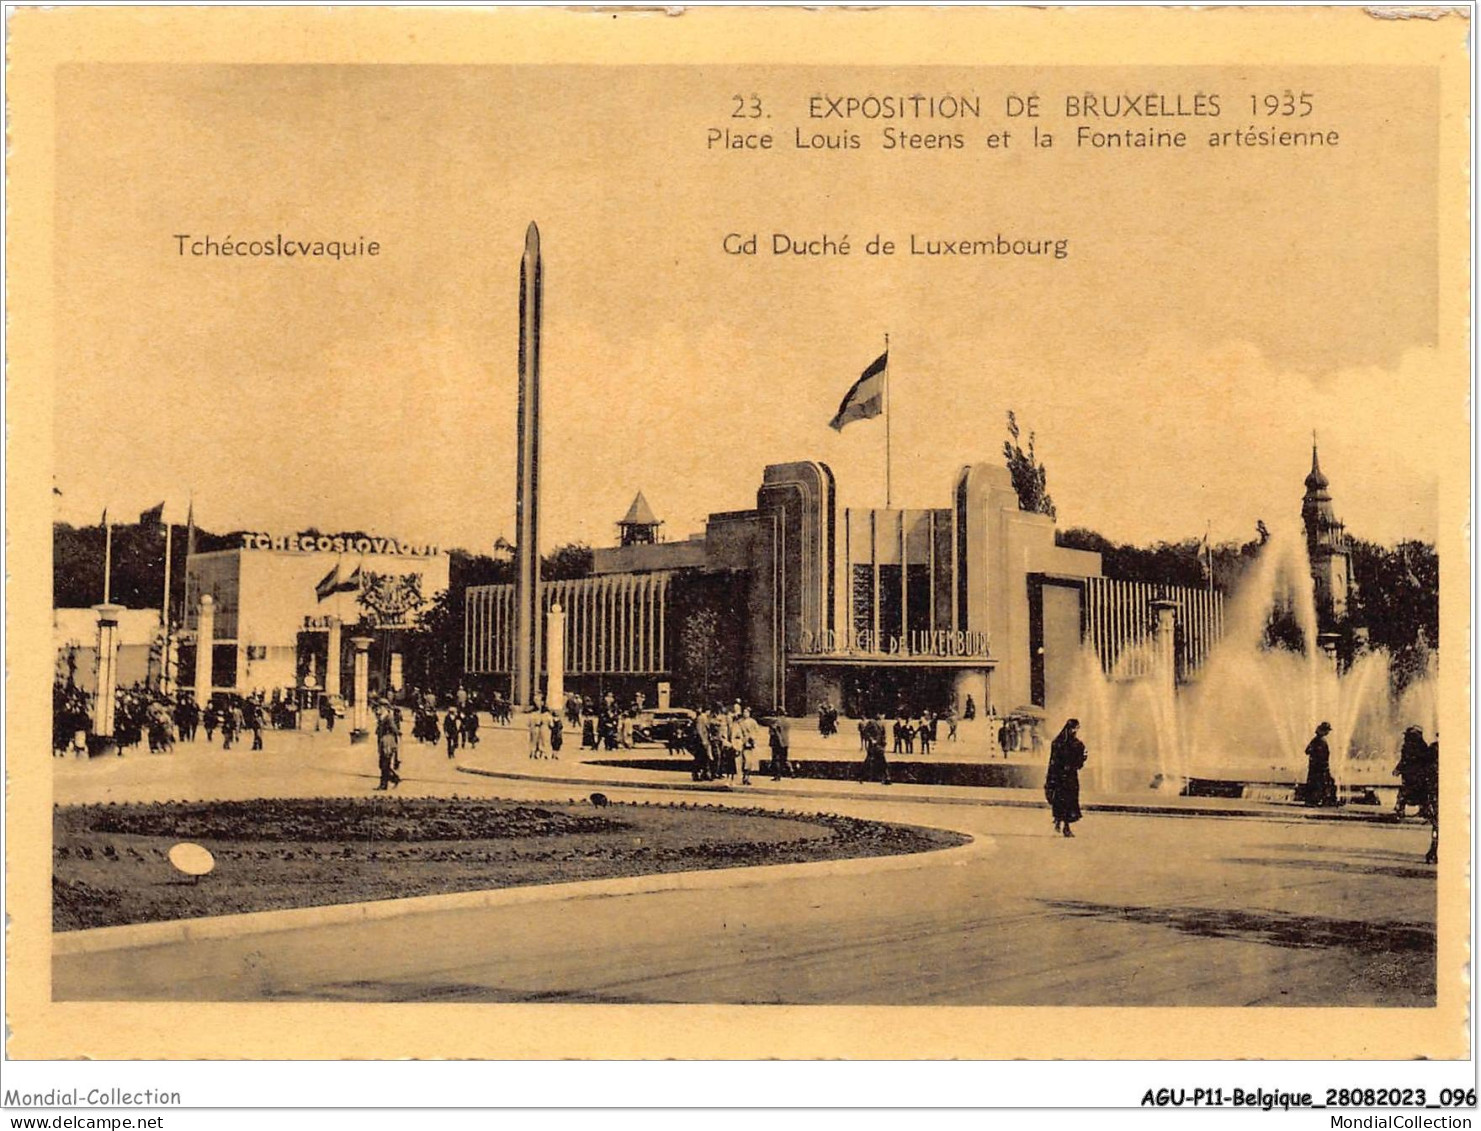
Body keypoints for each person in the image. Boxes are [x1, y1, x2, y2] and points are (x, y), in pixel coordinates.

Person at [1045, 718, 1088, 837]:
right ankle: (1065, 827)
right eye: (1074, 728)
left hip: (1065, 777)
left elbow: (1079, 762)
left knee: (1066, 800)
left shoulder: (1069, 743)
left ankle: (1060, 822)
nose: (1074, 731)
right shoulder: (1068, 744)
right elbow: (1053, 762)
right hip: (1065, 777)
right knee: (1065, 800)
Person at [1393, 725, 1430, 818]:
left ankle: (1402, 809)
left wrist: (1398, 769)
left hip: (1414, 775)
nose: (1406, 737)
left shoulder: (1415, 746)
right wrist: (1398, 769)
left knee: (1408, 792)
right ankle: (1421, 810)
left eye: (1408, 735)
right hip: (1413, 774)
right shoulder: (1419, 746)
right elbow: (1404, 760)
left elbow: (1405, 760)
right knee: (1417, 792)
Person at [1302, 721, 1338, 808]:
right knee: (1320, 783)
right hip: (1319, 767)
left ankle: (1320, 800)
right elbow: (1309, 751)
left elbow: (1307, 751)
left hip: (1316, 766)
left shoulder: (1316, 740)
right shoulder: (1319, 741)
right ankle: (1319, 800)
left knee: (1321, 783)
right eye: (1327, 730)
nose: (1328, 732)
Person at [374, 702, 401, 790]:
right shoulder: (382, 717)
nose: (378, 709)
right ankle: (394, 778)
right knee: (382, 764)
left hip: (388, 742)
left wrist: (397, 733)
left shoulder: (388, 717)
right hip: (383, 742)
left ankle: (384, 785)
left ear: (384, 707)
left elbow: (394, 728)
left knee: (385, 764)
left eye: (380, 707)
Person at [860, 712, 891, 785]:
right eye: (882, 715)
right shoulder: (871, 722)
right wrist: (871, 739)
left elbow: (883, 735)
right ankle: (861, 776)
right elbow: (865, 732)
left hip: (879, 746)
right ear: (878, 714)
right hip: (873, 746)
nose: (883, 716)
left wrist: (884, 744)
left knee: (883, 761)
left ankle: (886, 778)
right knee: (868, 762)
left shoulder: (882, 724)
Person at [735, 705, 759, 785]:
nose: (745, 713)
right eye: (744, 712)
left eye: (747, 712)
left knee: (749, 761)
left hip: (750, 743)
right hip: (742, 742)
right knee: (743, 760)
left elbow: (756, 731)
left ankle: (747, 776)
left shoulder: (753, 722)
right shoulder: (740, 722)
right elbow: (737, 732)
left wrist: (753, 738)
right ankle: (743, 776)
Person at [768, 715, 792, 780]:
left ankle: (777, 775)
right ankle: (791, 771)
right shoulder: (787, 721)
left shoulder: (775, 722)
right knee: (784, 759)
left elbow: (772, 733)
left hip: (777, 743)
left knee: (776, 759)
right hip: (785, 742)